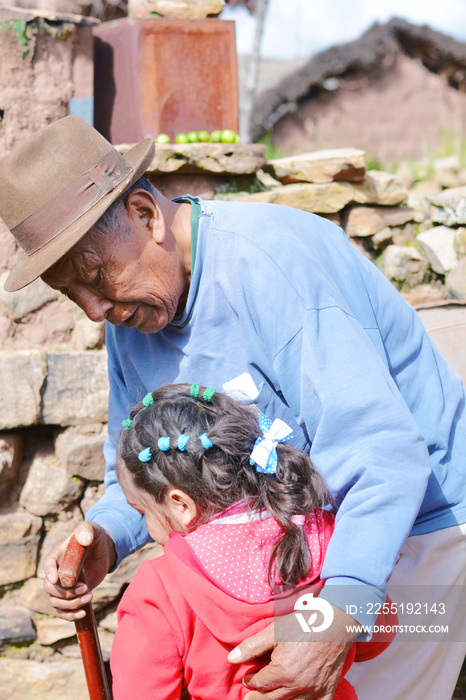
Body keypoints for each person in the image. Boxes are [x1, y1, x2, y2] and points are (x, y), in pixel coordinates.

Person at [1, 114, 465, 700]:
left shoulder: (269, 263)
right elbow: (144, 468)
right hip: (291, 556)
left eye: (96, 275)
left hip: (418, 527)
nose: (95, 310)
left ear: (146, 216)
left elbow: (382, 456)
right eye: (75, 294)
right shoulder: (134, 314)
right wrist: (106, 538)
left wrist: (335, 619)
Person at [111, 382, 395, 700]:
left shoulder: (160, 588)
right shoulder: (326, 536)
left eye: (143, 511)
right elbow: (379, 634)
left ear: (181, 504)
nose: (148, 527)